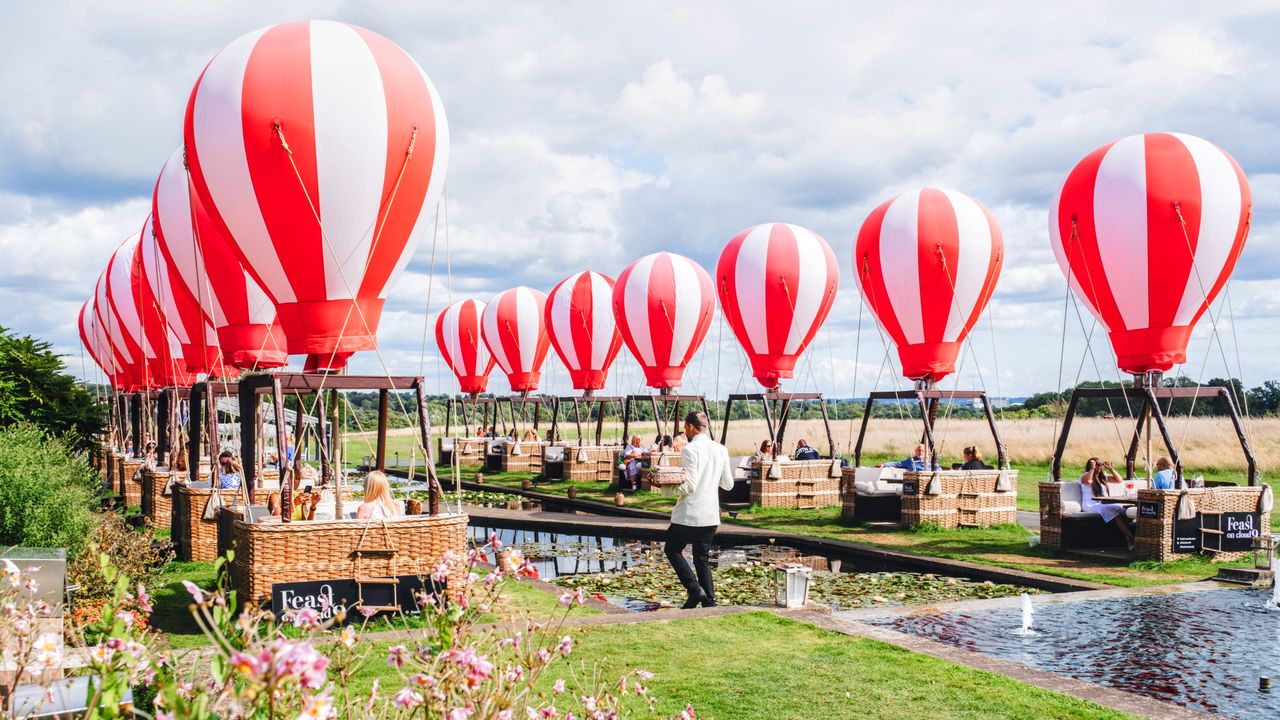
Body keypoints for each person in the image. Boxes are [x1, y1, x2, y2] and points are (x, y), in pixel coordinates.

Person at [664, 411, 735, 609]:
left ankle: (694, 589)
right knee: (701, 558)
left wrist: (665, 486)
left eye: (685, 427)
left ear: (690, 427)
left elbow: (690, 486)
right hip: (711, 515)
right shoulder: (721, 449)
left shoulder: (689, 450)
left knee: (672, 550)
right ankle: (709, 602)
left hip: (688, 515)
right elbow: (728, 484)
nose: (685, 431)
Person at [1078, 458, 1135, 549]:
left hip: (1103, 504)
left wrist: (1110, 469)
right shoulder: (1085, 476)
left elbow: (1119, 480)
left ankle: (1129, 539)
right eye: (1096, 464)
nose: (1098, 467)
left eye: (1099, 464)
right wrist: (1092, 468)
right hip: (1091, 505)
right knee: (1115, 509)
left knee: (1123, 510)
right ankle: (1133, 539)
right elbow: (1088, 481)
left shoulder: (1102, 477)